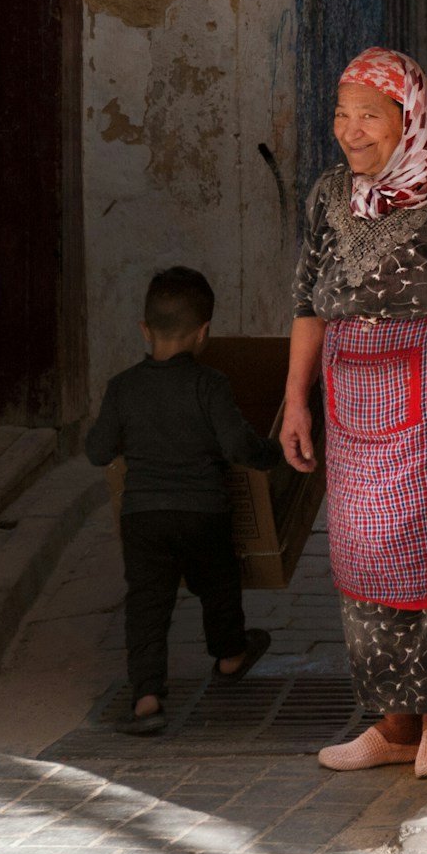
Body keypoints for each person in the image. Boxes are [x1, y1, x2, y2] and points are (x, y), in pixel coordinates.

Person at [280, 47, 427, 778]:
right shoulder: (327, 195)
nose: (351, 131)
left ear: (408, 118)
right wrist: (294, 397)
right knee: (358, 550)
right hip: (349, 395)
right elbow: (309, 302)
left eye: (370, 115)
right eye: (342, 114)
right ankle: (392, 722)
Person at [84, 266, 279, 736]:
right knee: (218, 583)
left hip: (143, 517)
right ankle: (230, 654)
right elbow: (237, 447)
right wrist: (274, 454)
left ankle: (148, 697)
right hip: (204, 512)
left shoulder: (123, 387)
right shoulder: (209, 384)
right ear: (204, 333)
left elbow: (96, 451)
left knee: (147, 603)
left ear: (144, 330)